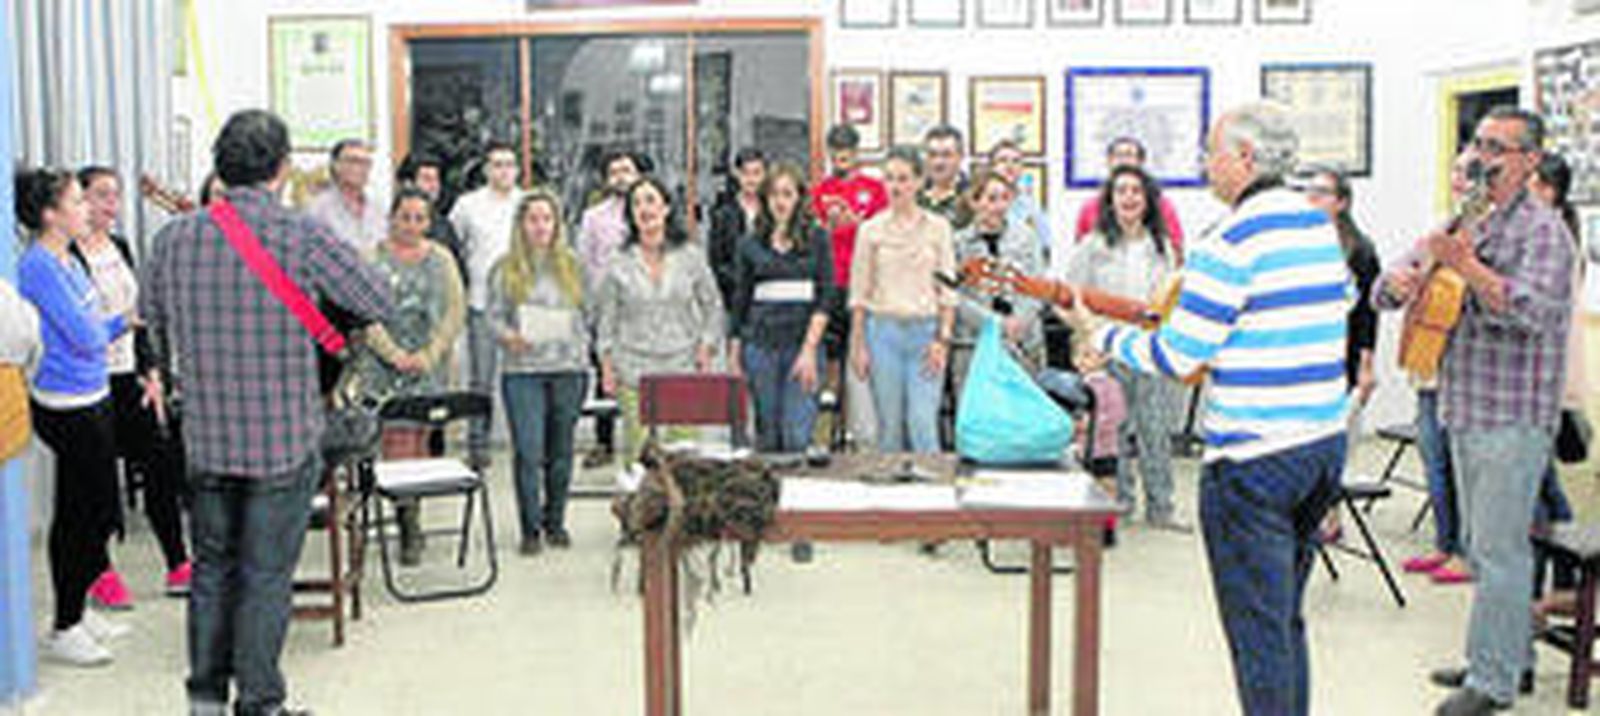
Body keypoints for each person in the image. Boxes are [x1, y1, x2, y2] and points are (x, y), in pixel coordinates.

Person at [1062, 104, 1350, 715]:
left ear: (1245, 158)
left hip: (1255, 461)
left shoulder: (1230, 240)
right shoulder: (1315, 224)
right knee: (1284, 619)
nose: (1203, 163)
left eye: (1211, 151)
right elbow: (1330, 305)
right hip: (1322, 446)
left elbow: (1177, 354)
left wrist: (1101, 335)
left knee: (1257, 633)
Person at [141, 109, 392, 716]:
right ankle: (258, 703)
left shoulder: (172, 240)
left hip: (206, 438)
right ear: (281, 169)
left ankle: (205, 699)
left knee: (212, 570)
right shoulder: (301, 235)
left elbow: (153, 328)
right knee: (265, 575)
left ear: (219, 167)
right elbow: (377, 298)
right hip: (282, 439)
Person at [1373, 107, 1575, 716]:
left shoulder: (1545, 233)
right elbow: (1391, 282)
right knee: (1481, 545)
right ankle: (1505, 658)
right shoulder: (1465, 218)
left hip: (1512, 414)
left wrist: (1466, 266)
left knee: (1500, 551)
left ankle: (1492, 680)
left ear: (1530, 160)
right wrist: (1398, 283)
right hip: (1461, 406)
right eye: (1478, 144)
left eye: (1497, 148)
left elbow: (1535, 313)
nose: (1481, 158)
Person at [15, 167, 135, 667]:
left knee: (92, 509)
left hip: (94, 391)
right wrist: (122, 321)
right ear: (50, 214)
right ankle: (66, 625)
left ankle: (77, 612)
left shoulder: (69, 258)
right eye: (77, 201)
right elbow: (87, 335)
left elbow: (91, 323)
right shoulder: (38, 266)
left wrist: (106, 325)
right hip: (66, 404)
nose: (87, 208)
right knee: (86, 513)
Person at [71, 166, 192, 603]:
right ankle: (98, 569)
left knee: (161, 465)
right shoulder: (67, 255)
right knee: (97, 481)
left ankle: (178, 563)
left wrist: (152, 372)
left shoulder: (119, 246)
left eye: (116, 195)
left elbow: (138, 317)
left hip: (130, 376)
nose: (112, 204)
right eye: (101, 195)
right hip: (89, 382)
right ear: (80, 201)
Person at [1061, 165, 1185, 531]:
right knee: (1114, 431)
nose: (1129, 198)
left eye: (1136, 191)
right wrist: (1088, 337)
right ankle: (1121, 502)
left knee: (1155, 430)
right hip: (1109, 351)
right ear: (1110, 200)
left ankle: (1162, 508)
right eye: (1121, 191)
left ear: (1148, 200)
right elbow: (1069, 300)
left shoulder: (1163, 248)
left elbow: (1172, 302)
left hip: (1151, 351)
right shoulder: (1092, 246)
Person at [348, 188, 466, 566]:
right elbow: (363, 314)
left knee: (418, 446)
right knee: (397, 446)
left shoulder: (442, 258)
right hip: (383, 369)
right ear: (392, 218)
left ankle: (411, 512)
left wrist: (430, 353)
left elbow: (454, 310)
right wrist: (394, 354)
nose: (412, 225)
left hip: (428, 368)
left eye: (420, 218)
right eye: (405, 217)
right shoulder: (371, 258)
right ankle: (408, 524)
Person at [489, 190, 591, 555]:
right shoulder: (504, 268)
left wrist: (580, 339)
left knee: (561, 451)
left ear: (557, 224)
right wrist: (508, 336)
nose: (540, 226)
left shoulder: (574, 266)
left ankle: (555, 522)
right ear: (521, 224)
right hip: (523, 371)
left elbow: (590, 312)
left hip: (568, 368)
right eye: (533, 219)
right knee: (528, 451)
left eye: (547, 219)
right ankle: (530, 529)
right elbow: (493, 316)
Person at [596, 175, 724, 459]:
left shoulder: (690, 256)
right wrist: (606, 366)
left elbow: (712, 305)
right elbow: (606, 320)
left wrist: (707, 345)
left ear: (666, 208)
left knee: (684, 457)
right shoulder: (618, 262)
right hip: (632, 368)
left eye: (651, 200)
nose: (645, 209)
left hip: (681, 364)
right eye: (637, 203)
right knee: (639, 457)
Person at [850, 145, 957, 454]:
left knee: (922, 425)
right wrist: (858, 345)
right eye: (889, 178)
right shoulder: (870, 230)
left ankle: (931, 484)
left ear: (919, 182)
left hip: (926, 334)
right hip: (883, 333)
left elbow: (948, 292)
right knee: (890, 429)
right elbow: (859, 293)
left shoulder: (939, 228)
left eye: (903, 179)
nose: (895, 187)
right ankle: (891, 485)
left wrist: (943, 340)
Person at [728, 163, 835, 453]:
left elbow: (825, 297)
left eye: (787, 194)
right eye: (774, 194)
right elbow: (740, 301)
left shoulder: (818, 238)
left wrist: (809, 350)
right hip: (760, 348)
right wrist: (734, 355)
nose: (780, 201)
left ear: (799, 198)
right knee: (769, 437)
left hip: (803, 346)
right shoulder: (749, 243)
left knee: (796, 436)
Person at [1300, 166, 1381, 544]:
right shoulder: (1299, 246)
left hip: (1344, 355)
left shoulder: (1360, 251)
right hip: (1306, 353)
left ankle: (1331, 516)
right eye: (1308, 192)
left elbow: (1368, 314)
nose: (1311, 199)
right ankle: (1308, 509)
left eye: (1321, 193)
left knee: (1336, 437)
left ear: (1341, 202)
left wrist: (1366, 366)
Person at [450, 140, 526, 465]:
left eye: (509, 164)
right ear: (485, 169)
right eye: (497, 164)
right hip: (481, 303)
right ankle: (477, 448)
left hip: (522, 305)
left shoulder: (526, 203)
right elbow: (453, 246)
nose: (503, 170)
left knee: (524, 377)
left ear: (517, 169)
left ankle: (526, 444)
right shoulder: (467, 205)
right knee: (481, 379)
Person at [813, 125, 887, 449]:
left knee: (860, 361)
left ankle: (861, 434)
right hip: (831, 283)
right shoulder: (820, 190)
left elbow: (885, 232)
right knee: (831, 361)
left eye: (846, 155)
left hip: (866, 286)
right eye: (835, 155)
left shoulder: (875, 189)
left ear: (857, 153)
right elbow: (813, 234)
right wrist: (826, 225)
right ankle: (829, 431)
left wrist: (859, 225)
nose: (840, 160)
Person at [576, 150, 644, 468]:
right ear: (606, 179)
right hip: (605, 310)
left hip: (643, 309)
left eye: (627, 170)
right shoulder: (593, 217)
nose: (621, 177)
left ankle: (644, 443)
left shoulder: (648, 211)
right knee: (606, 377)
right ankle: (604, 443)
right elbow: (585, 263)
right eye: (615, 171)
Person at [951, 170, 1044, 399]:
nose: (999, 206)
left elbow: (1038, 286)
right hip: (974, 343)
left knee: (1022, 411)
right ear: (974, 202)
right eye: (991, 199)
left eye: (1005, 198)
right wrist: (995, 323)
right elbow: (954, 295)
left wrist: (1019, 321)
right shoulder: (958, 243)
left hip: (1022, 343)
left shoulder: (1026, 238)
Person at [1068, 136, 1186, 261]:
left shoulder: (1163, 205)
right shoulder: (1089, 209)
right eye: (1119, 155)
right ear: (1109, 161)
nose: (1124, 161)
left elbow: (1177, 251)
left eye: (1129, 155)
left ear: (1141, 161)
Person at [708, 148, 766, 309]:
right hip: (734, 297)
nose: (751, 180)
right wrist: (739, 282)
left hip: (768, 296)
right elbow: (716, 261)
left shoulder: (772, 210)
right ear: (737, 175)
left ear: (764, 175)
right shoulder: (723, 214)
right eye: (746, 173)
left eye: (756, 173)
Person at [307, 138, 386, 253]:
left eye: (366, 163)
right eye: (354, 161)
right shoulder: (319, 207)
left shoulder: (377, 207)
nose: (362, 168)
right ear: (336, 166)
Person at [397, 151, 466, 283]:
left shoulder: (444, 227)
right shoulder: (393, 224)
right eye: (427, 179)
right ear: (409, 183)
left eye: (436, 179)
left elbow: (459, 274)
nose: (433, 186)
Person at [989, 139, 1053, 258]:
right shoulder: (981, 202)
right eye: (1002, 160)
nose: (1010, 166)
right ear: (991, 167)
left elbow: (1046, 244)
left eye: (1016, 161)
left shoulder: (1030, 204)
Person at [918, 124, 971, 230]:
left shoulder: (973, 196)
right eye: (932, 155)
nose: (938, 162)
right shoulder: (913, 195)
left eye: (946, 155)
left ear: (961, 156)